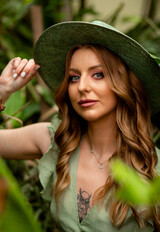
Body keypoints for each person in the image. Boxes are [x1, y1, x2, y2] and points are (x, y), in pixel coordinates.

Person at [0, 20, 160, 232]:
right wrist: (2, 90)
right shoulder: (55, 141)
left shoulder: (153, 168)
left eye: (98, 74)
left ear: (124, 83)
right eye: (74, 77)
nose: (82, 87)